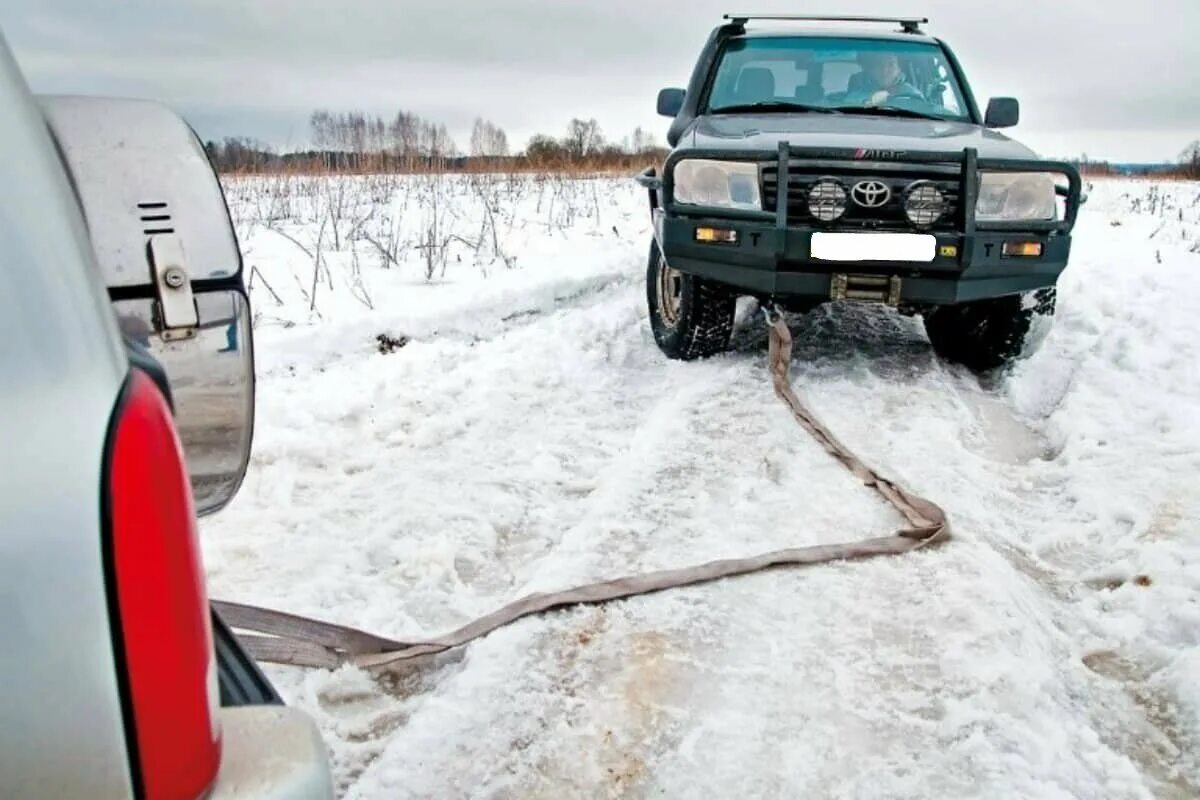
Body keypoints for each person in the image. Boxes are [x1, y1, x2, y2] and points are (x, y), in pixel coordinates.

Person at [845, 51, 923, 107]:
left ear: (899, 69)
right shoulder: (859, 90)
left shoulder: (912, 94)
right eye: (879, 64)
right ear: (871, 70)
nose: (885, 70)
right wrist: (870, 99)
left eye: (891, 64)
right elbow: (846, 104)